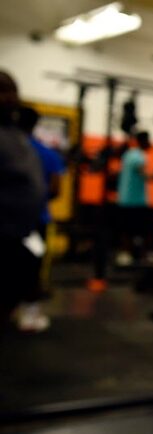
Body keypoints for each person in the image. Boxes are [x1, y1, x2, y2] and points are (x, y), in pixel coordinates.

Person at [0, 71, 44, 338]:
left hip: (16, 238)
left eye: (12, 91)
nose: (8, 98)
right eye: (3, 91)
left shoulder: (15, 136)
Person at [15, 106, 66, 332]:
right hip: (34, 222)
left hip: (12, 223)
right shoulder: (46, 153)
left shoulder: (11, 149)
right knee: (31, 267)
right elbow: (55, 189)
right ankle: (29, 314)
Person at [115, 130, 151, 265]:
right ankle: (139, 255)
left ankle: (126, 254)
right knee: (139, 230)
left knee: (126, 229)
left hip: (124, 198)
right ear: (144, 141)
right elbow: (143, 173)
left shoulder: (128, 154)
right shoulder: (138, 157)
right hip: (135, 200)